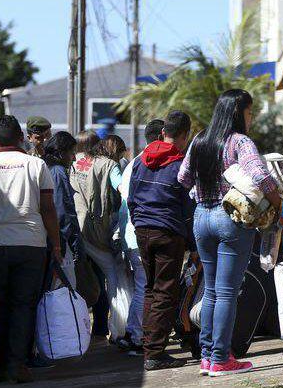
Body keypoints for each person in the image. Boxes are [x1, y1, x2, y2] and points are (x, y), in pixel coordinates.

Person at [179, 90, 281, 377]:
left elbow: (182, 178)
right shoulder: (239, 142)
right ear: (239, 113)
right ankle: (222, 358)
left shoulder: (199, 140)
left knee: (210, 290)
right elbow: (261, 176)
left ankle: (208, 356)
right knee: (227, 293)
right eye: (250, 112)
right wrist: (278, 203)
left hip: (202, 217)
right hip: (231, 219)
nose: (251, 118)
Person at [0, 115, 62, 383]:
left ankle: (0, 364)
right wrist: (56, 245)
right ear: (21, 137)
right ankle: (18, 364)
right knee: (24, 306)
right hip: (31, 246)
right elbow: (48, 209)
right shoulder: (37, 165)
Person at [128, 112, 195, 370]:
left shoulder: (140, 161)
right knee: (165, 292)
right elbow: (187, 208)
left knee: (150, 289)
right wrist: (192, 243)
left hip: (143, 230)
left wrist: (138, 222)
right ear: (184, 135)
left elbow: (131, 198)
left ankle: (149, 347)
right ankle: (154, 353)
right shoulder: (180, 165)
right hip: (168, 232)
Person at [115, 119, 165, 356]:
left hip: (131, 235)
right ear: (163, 135)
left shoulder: (134, 162)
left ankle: (134, 334)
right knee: (146, 288)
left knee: (142, 287)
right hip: (140, 234)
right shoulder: (151, 162)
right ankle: (136, 336)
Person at [70, 134, 125, 341]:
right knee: (112, 277)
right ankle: (117, 328)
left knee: (81, 280)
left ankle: (80, 330)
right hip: (97, 232)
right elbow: (122, 187)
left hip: (76, 231)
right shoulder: (109, 165)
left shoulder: (74, 164)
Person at [42, 131, 83, 287]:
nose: (73, 158)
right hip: (58, 241)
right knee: (65, 288)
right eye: (71, 153)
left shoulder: (44, 166)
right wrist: (69, 243)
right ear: (61, 152)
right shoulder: (58, 172)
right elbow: (62, 211)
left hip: (45, 238)